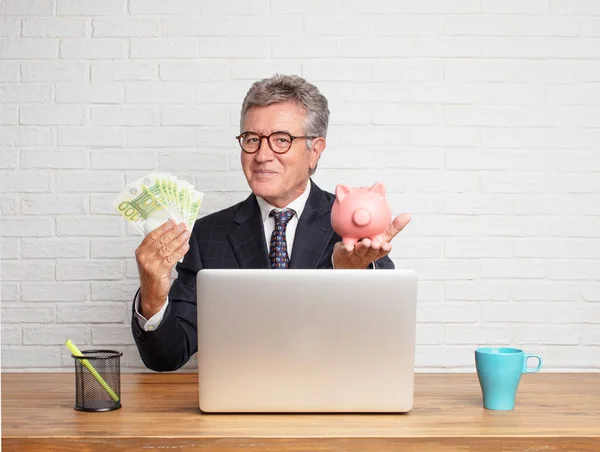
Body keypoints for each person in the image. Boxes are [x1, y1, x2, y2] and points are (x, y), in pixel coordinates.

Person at [131, 74, 411, 371]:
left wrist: (350, 273)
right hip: (238, 402)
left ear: (314, 150)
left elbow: (383, 334)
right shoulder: (207, 235)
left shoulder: (351, 223)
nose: (262, 155)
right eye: (252, 140)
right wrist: (152, 295)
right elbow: (167, 358)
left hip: (335, 396)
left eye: (281, 140)